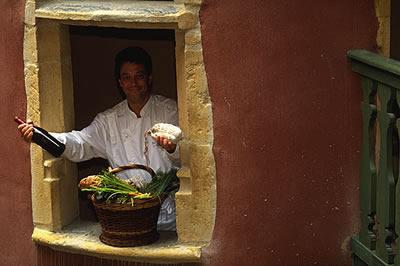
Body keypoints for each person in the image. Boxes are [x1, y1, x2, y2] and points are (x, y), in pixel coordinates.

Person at [17, 47, 180, 231]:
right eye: (126, 77)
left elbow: (189, 156)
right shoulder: (108, 121)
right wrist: (41, 136)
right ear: (119, 82)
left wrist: (173, 149)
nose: (133, 83)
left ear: (149, 78)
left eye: (139, 76)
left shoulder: (171, 111)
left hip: (170, 218)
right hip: (126, 216)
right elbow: (80, 143)